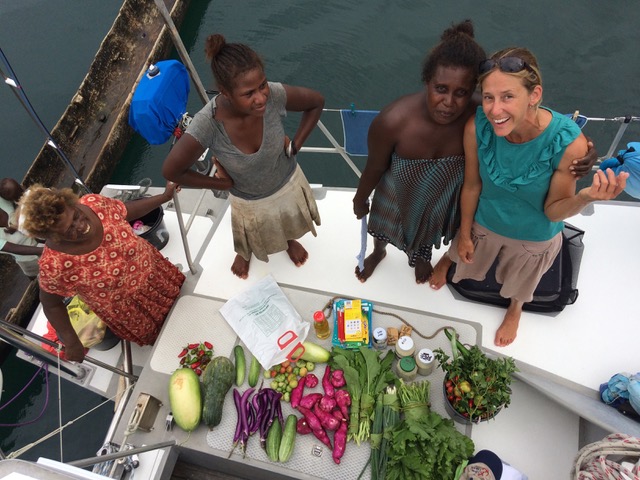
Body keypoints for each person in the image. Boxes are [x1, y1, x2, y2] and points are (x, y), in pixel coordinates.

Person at [352, 21, 596, 285]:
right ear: (427, 81)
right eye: (441, 89)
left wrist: (584, 146)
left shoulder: (484, 111)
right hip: (399, 190)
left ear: (474, 92)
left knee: (429, 229)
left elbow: (529, 113)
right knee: (384, 223)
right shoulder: (393, 121)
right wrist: (360, 197)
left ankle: (421, 258)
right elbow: (375, 167)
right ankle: (379, 252)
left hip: (443, 194)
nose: (448, 102)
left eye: (461, 93)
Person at [437, 47, 628, 347]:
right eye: (489, 97)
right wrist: (463, 233)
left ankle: (515, 309)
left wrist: (587, 196)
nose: (495, 110)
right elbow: (472, 185)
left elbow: (553, 213)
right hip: (485, 220)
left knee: (522, 284)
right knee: (463, 251)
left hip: (534, 233)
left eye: (508, 97)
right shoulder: (477, 128)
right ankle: (448, 260)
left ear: (534, 95)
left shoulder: (570, 145)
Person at [162, 34, 324, 279]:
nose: (260, 98)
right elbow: (171, 171)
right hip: (247, 198)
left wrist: (296, 145)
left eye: (262, 85)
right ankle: (245, 252)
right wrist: (220, 184)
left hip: (285, 180)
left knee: (286, 219)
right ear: (225, 92)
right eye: (249, 94)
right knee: (248, 232)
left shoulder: (274, 95)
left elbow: (316, 102)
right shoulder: (208, 124)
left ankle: (289, 240)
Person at [19, 182, 185, 362]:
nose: (80, 226)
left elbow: (126, 210)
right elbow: (51, 304)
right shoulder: (54, 265)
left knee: (186, 304)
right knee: (170, 343)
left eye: (76, 215)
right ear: (53, 237)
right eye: (69, 230)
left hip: (159, 275)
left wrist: (164, 197)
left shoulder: (94, 202)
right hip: (134, 310)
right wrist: (72, 342)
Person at [0, 178, 43, 278]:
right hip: (29, 260)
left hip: (41, 236)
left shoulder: (3, 196)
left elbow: (16, 192)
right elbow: (13, 248)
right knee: (37, 277)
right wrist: (46, 251)